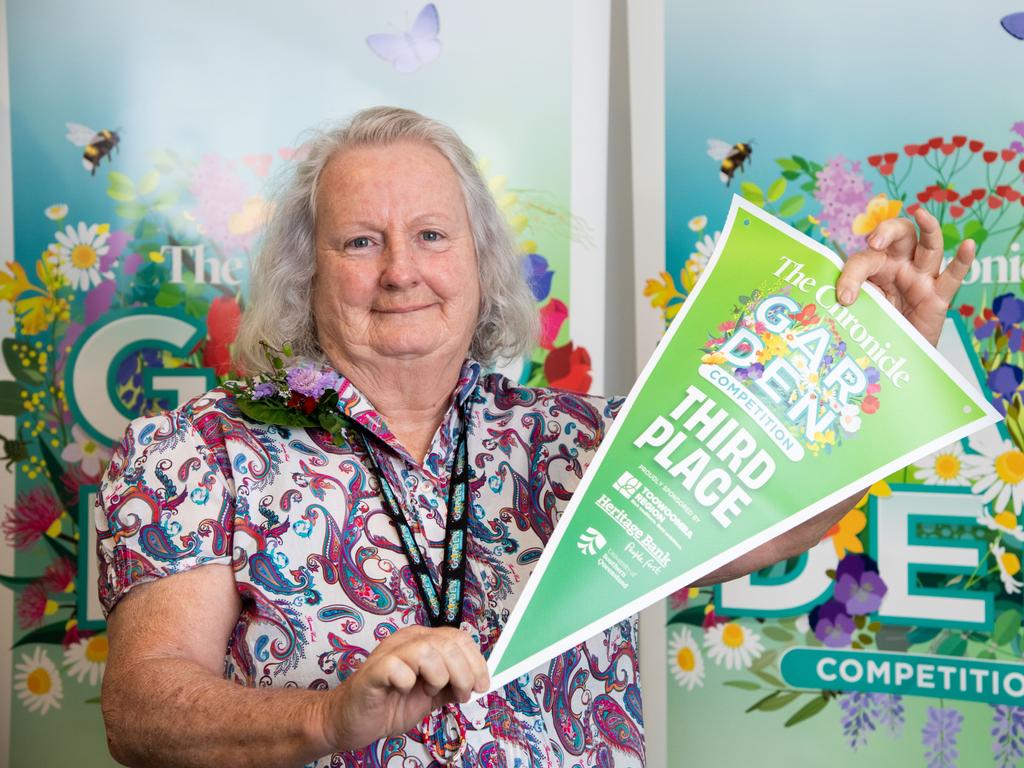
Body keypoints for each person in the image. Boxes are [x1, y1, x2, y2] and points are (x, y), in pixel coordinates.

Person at [96, 106, 975, 768]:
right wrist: (330, 716)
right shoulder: (196, 452)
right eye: (362, 241)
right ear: (307, 269)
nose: (401, 270)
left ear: (478, 261)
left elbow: (765, 522)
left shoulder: (582, 438)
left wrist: (879, 354)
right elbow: (142, 708)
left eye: (432, 236)